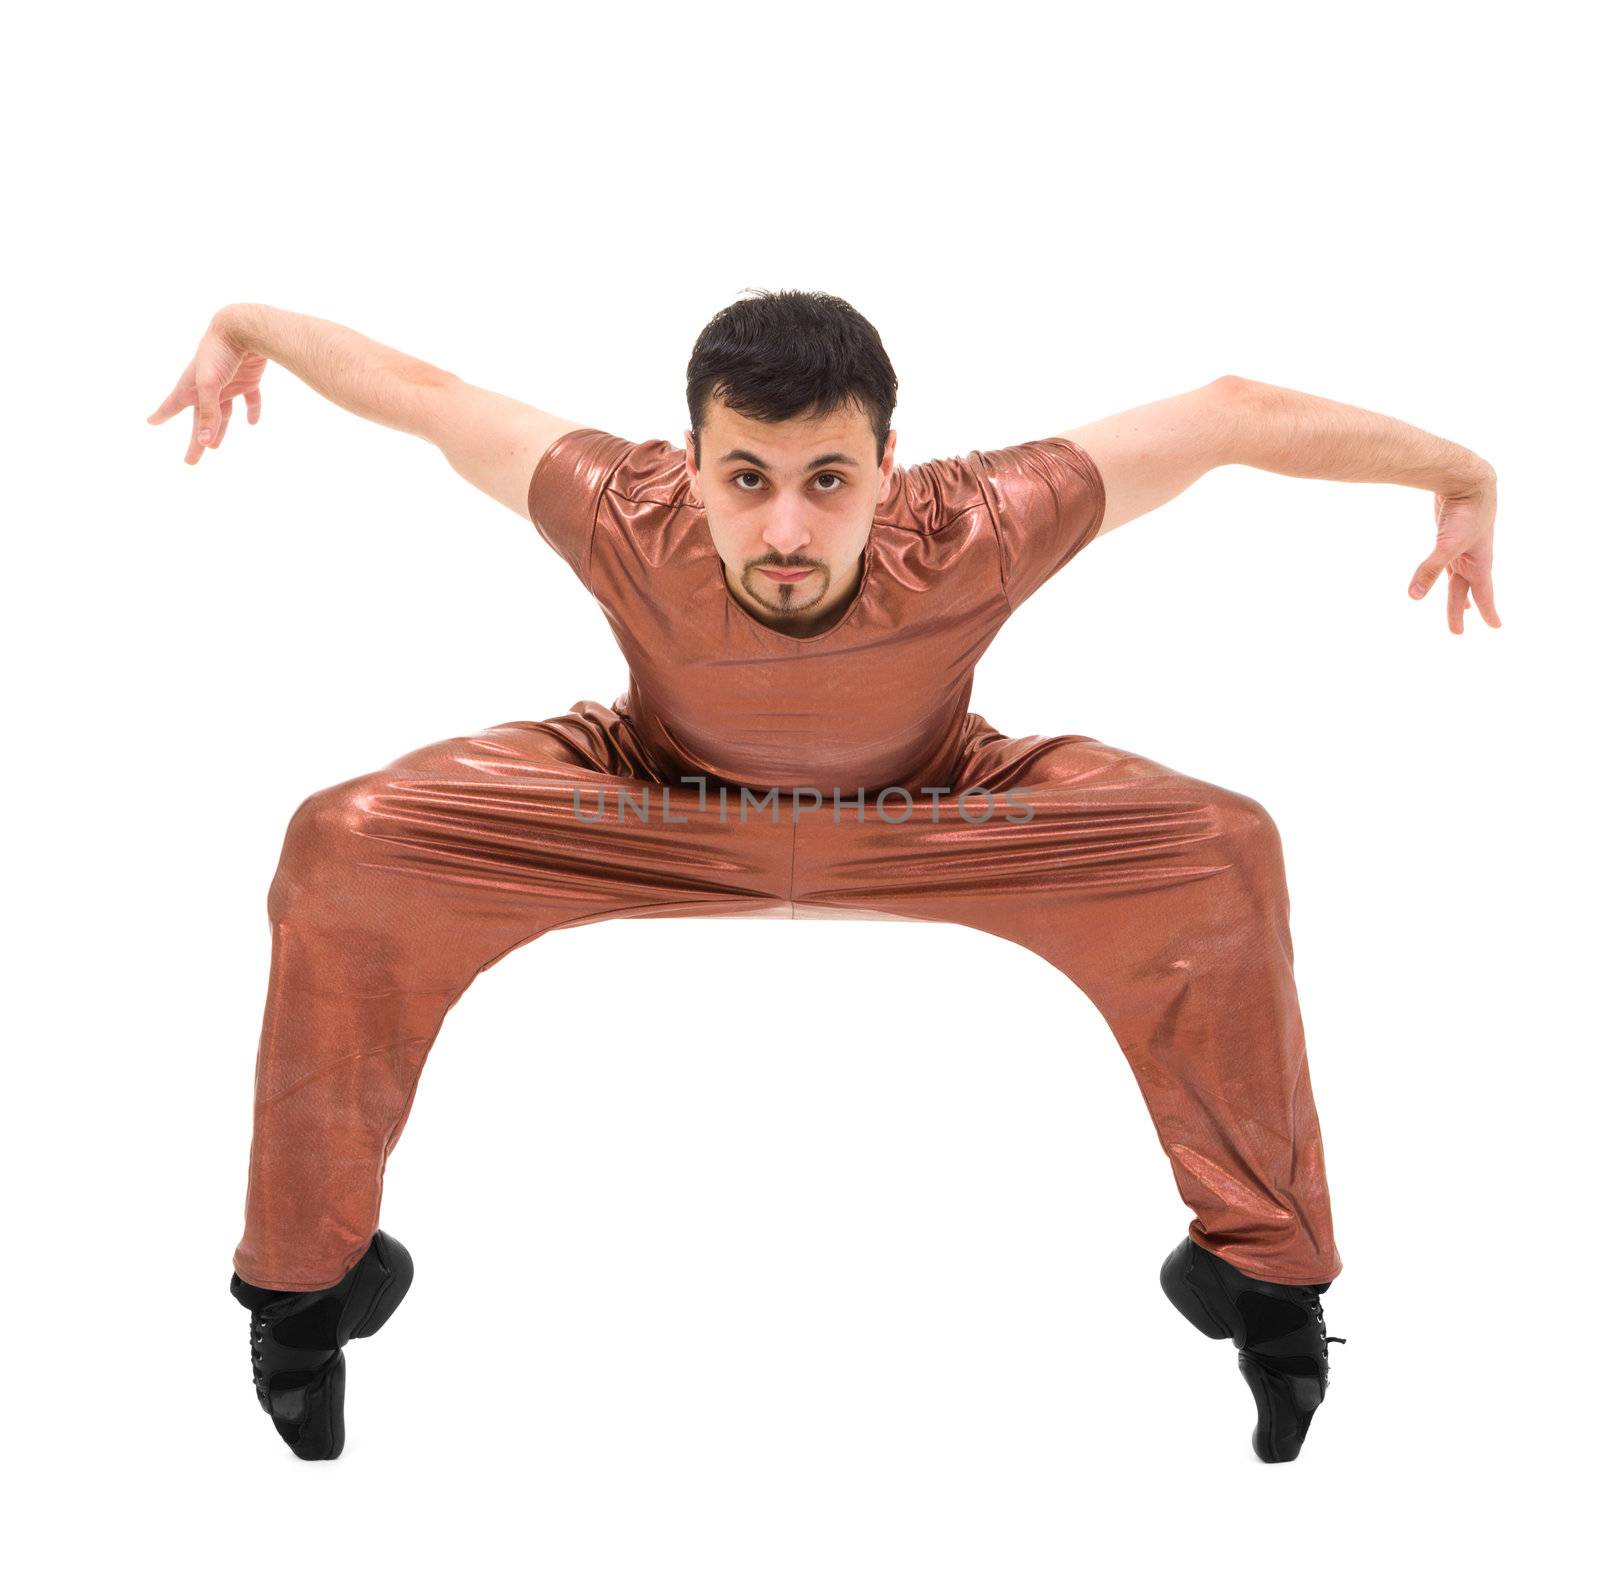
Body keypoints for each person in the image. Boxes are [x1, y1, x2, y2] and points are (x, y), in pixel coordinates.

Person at [148, 289, 1501, 1465]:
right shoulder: (619, 504)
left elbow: (1229, 415)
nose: (786, 529)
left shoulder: (982, 520)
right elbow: (430, 398)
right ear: (692, 465)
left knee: (1222, 852)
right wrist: (248, 322)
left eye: (829, 482)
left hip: (928, 810)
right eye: (747, 479)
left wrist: (1462, 471)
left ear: (888, 467)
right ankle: (307, 1287)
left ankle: (1262, 1281)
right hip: (653, 804)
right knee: (348, 841)